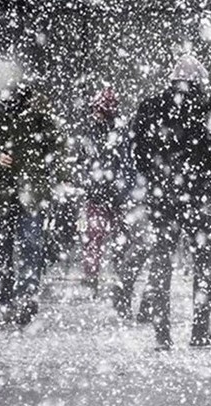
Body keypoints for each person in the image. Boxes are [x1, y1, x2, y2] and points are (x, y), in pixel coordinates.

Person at [0, 59, 67, 325]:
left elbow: (57, 142)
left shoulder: (35, 106)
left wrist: (45, 165)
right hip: (1, 189)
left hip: (29, 188)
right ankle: (8, 296)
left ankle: (26, 297)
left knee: (30, 244)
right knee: (1, 246)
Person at [131, 54, 211, 349]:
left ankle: (162, 333)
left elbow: (138, 152)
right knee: (203, 263)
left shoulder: (150, 107)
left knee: (162, 260)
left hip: (163, 197)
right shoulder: (207, 108)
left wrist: (157, 180)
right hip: (197, 197)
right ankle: (199, 330)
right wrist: (204, 181)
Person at [76, 87, 138, 312]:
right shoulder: (116, 130)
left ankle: (101, 277)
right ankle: (104, 277)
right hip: (107, 193)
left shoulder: (105, 131)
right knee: (102, 238)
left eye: (99, 110)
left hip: (107, 193)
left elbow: (88, 160)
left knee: (98, 238)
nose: (96, 114)